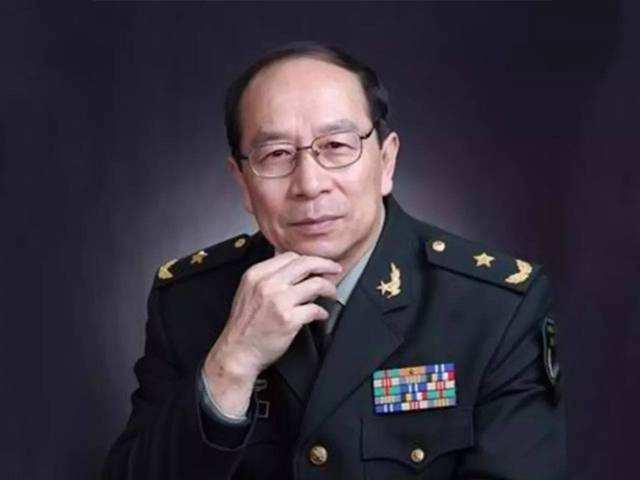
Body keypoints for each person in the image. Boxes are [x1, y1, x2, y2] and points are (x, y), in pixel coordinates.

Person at [103, 42, 567, 479]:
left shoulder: (493, 308)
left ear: (386, 162)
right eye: (276, 154)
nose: (309, 184)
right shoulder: (187, 303)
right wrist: (232, 362)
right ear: (242, 182)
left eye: (337, 146)